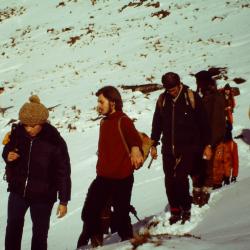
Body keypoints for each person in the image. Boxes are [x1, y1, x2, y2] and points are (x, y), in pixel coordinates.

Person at [77, 86, 143, 248]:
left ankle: (128, 242)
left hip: (122, 178)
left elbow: (135, 139)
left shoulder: (123, 120)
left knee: (121, 215)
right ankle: (96, 239)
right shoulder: (104, 122)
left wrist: (135, 149)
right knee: (89, 211)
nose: (98, 105)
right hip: (103, 177)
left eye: (101, 101)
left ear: (112, 102)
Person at [2, 95, 71, 250]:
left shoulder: (54, 141)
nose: (29, 129)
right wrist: (7, 155)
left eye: (33, 126)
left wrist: (64, 201)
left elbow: (64, 172)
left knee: (40, 232)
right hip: (18, 190)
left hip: (44, 195)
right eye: (26, 125)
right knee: (13, 227)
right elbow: (7, 148)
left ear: (42, 122)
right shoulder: (18, 132)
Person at [150, 72, 211, 225]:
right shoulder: (163, 100)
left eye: (174, 88)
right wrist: (154, 143)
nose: (172, 91)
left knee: (181, 178)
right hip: (168, 149)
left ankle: (186, 208)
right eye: (168, 89)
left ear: (179, 84)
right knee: (169, 181)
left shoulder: (190, 97)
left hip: (188, 147)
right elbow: (157, 123)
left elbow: (204, 122)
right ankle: (175, 210)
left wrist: (207, 145)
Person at [191, 70, 226, 204]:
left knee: (207, 168)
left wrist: (210, 144)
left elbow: (217, 124)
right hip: (200, 141)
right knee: (197, 168)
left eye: (199, 82)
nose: (197, 84)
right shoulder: (205, 96)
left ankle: (204, 195)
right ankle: (198, 192)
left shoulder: (215, 97)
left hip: (209, 142)